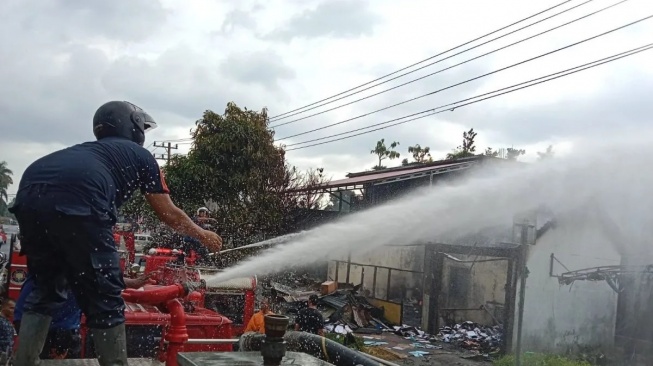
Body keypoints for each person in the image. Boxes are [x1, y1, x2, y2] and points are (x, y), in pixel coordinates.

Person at [9, 101, 223, 366]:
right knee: (105, 300)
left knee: (45, 290)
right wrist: (202, 233)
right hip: (81, 201)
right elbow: (167, 213)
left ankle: (23, 362)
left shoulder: (88, 151)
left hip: (29, 193)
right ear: (133, 127)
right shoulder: (139, 155)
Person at [14, 273, 154, 360]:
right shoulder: (71, 251)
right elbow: (89, 273)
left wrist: (127, 282)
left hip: (51, 324)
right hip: (52, 328)